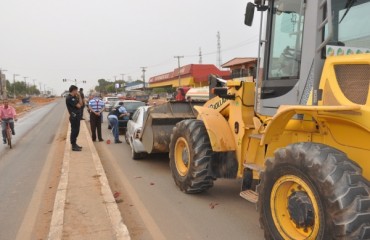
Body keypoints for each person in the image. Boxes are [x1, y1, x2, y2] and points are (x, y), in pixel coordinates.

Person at [65, 85, 83, 151]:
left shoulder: (74, 97)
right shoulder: (70, 98)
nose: (77, 92)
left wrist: (80, 96)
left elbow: (81, 104)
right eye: (76, 90)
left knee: (77, 130)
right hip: (74, 116)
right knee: (74, 131)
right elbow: (78, 106)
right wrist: (79, 98)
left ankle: (75, 143)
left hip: (77, 116)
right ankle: (73, 145)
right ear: (73, 90)